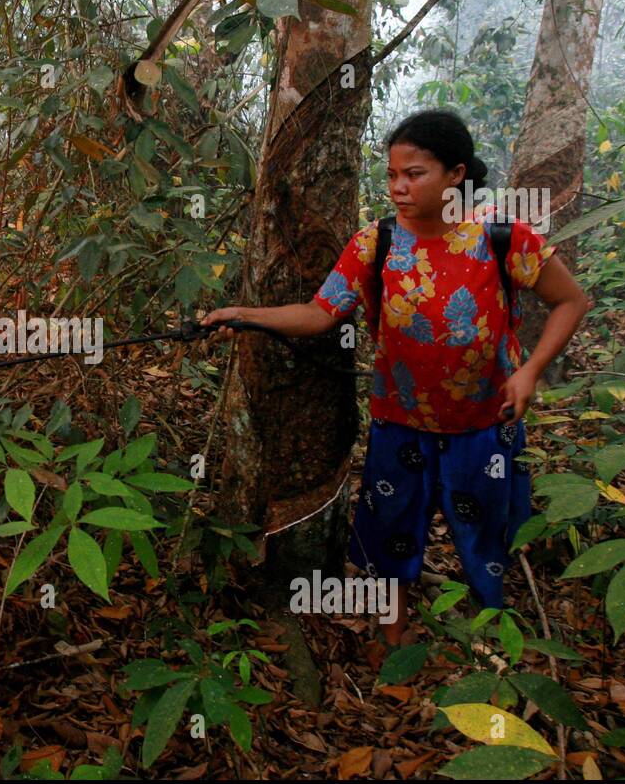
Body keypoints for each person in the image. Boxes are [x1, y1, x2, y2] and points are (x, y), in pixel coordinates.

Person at [201, 109, 591, 645]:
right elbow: (320, 313)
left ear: (455, 174)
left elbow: (571, 301)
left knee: (485, 539)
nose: (399, 188)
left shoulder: (502, 237)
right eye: (392, 175)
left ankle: (491, 652)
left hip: (485, 424)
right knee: (393, 538)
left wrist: (530, 372)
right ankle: (393, 641)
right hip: (400, 423)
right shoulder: (375, 244)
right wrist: (243, 316)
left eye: (415, 174)